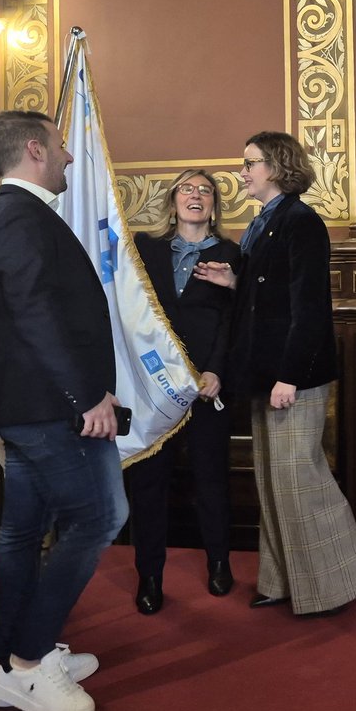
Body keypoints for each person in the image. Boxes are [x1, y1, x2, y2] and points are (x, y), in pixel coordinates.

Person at [0, 110, 128, 711]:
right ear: (36, 149)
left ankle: (15, 658)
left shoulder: (12, 212)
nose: (68, 157)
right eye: (61, 147)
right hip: (49, 408)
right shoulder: (16, 213)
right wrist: (85, 396)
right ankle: (31, 664)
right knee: (101, 516)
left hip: (35, 404)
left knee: (20, 531)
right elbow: (36, 314)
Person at [194, 131, 356, 617]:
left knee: (300, 479)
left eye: (249, 163)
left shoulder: (300, 220)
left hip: (293, 377)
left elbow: (309, 307)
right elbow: (269, 295)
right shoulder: (264, 222)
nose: (242, 172)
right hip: (263, 374)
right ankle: (281, 582)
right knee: (274, 482)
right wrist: (236, 281)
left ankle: (335, 586)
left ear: (275, 166)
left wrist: (289, 375)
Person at [128, 169, 240, 614]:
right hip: (153, 387)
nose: (196, 196)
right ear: (172, 199)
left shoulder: (231, 253)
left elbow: (233, 320)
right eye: (188, 189)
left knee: (211, 479)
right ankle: (149, 577)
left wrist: (215, 370)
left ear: (214, 205)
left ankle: (219, 562)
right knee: (148, 483)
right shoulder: (144, 248)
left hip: (204, 387)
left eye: (205, 191)